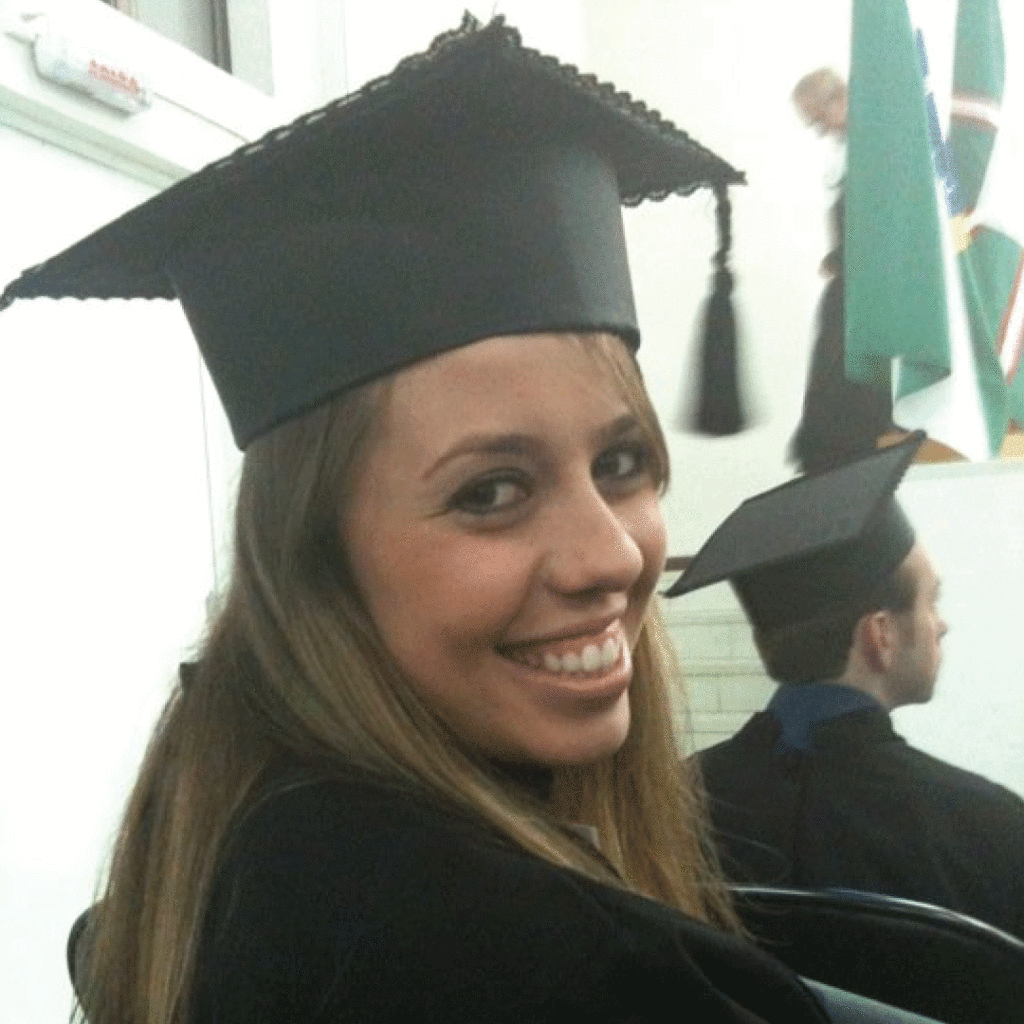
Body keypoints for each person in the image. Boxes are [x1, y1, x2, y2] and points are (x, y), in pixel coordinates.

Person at [2, 17, 840, 1024]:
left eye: (621, 464)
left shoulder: (221, 852)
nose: (613, 555)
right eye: (490, 491)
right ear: (316, 562)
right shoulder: (558, 971)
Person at [666, 434, 1024, 940]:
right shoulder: (990, 829)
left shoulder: (673, 806)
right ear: (880, 635)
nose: (941, 625)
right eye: (930, 602)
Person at [789, 67, 896, 474]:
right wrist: (836, 256)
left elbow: (881, 224)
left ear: (840, 100)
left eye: (820, 121)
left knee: (849, 381)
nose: (821, 133)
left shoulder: (880, 149)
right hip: (851, 286)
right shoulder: (855, 152)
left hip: (869, 294)